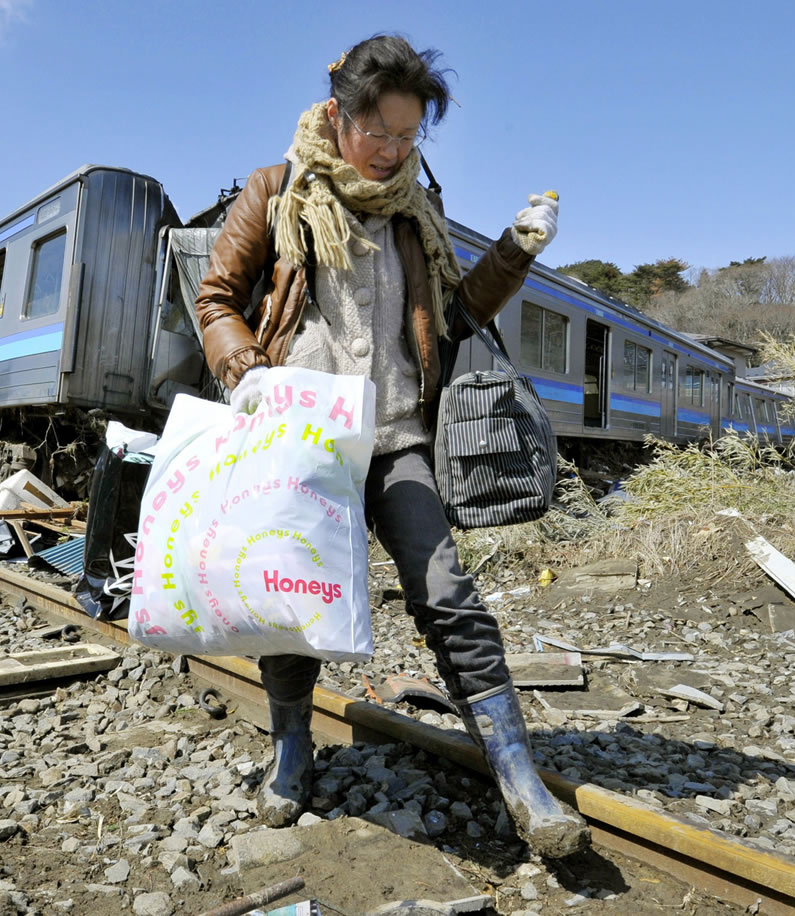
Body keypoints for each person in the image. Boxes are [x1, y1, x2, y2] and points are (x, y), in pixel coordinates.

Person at [194, 34, 588, 859]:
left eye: (410, 137)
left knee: (448, 595)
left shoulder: (418, 210)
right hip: (300, 440)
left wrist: (516, 250)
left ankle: (519, 776)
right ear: (339, 115)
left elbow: (454, 318)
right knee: (289, 606)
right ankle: (292, 753)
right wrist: (244, 368)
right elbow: (218, 295)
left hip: (397, 435)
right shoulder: (276, 190)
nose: (394, 151)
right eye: (381, 133)